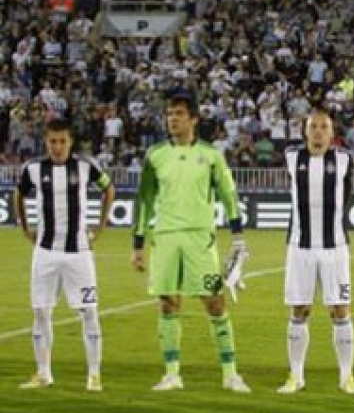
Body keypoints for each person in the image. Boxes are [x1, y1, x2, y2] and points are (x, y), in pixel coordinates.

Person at [131, 93, 251, 393]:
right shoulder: (155, 155)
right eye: (170, 113)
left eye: (179, 113)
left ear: (194, 119)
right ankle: (172, 374)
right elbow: (145, 200)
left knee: (215, 302)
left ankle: (231, 374)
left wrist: (237, 235)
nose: (173, 119)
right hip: (166, 237)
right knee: (168, 303)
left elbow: (228, 194)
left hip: (200, 238)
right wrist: (138, 244)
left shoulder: (211, 155)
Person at [13, 119, 115, 391]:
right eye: (52, 142)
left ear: (70, 142)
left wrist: (100, 226)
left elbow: (108, 189)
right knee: (40, 311)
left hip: (79, 253)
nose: (57, 147)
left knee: (89, 311)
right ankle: (43, 373)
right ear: (46, 142)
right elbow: (18, 194)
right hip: (45, 253)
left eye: (62, 141)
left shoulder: (85, 166)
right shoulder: (33, 169)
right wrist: (25, 228)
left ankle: (94, 375)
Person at [277, 109, 354, 395]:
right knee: (299, 309)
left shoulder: (344, 159)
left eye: (324, 127)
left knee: (340, 309)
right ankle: (296, 376)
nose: (318, 132)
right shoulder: (292, 156)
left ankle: (347, 377)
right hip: (299, 247)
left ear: (332, 133)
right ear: (304, 131)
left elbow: (346, 194)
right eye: (313, 127)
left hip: (334, 248)